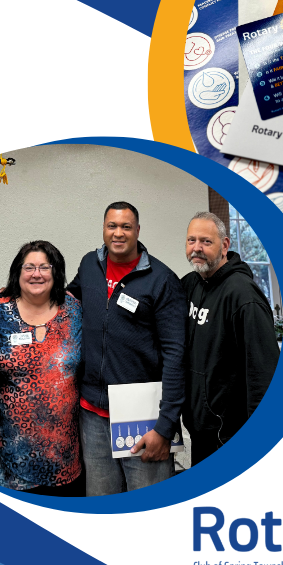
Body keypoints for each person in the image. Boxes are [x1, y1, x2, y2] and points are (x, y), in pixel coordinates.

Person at [66, 202, 185, 495]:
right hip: (92, 415)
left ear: (138, 231)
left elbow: (176, 355)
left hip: (143, 419)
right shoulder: (89, 265)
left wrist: (165, 427)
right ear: (103, 229)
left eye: (126, 227)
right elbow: (67, 299)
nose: (118, 233)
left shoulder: (162, 279)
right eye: (112, 226)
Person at [182, 211, 280, 465]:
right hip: (201, 432)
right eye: (191, 240)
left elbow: (263, 377)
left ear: (224, 245)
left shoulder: (244, 297)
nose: (197, 248)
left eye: (206, 241)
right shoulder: (190, 285)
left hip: (230, 439)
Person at [0, 241, 83, 495]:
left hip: (63, 462)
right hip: (7, 464)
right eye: (29, 267)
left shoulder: (74, 311)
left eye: (44, 267)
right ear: (18, 272)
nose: (36, 274)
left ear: (57, 272)